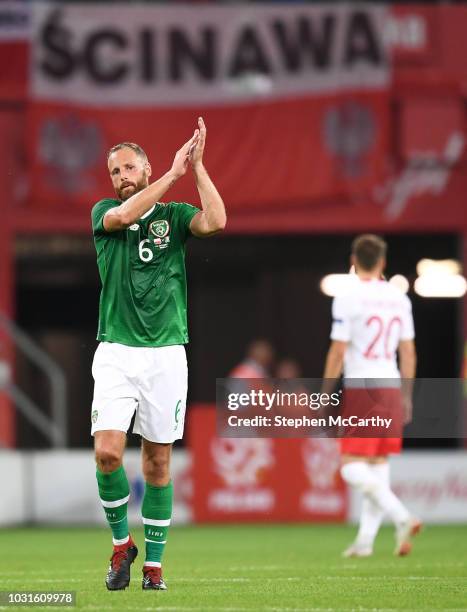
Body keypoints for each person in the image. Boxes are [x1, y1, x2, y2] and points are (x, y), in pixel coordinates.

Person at [90, 117, 226, 591]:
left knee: (157, 463)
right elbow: (125, 216)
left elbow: (216, 221)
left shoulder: (174, 217)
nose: (122, 176)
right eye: (115, 171)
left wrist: (199, 168)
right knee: (107, 453)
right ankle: (121, 544)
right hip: (116, 352)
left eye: (130, 167)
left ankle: (153, 568)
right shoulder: (104, 213)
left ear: (144, 167)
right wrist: (173, 173)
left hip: (166, 353)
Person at [322, 234, 421, 557]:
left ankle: (402, 516)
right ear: (383, 262)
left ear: (353, 260)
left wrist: (325, 391)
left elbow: (338, 349)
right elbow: (408, 351)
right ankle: (365, 542)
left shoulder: (348, 296)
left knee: (351, 466)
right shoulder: (399, 298)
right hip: (391, 384)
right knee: (377, 465)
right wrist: (406, 394)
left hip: (364, 387)